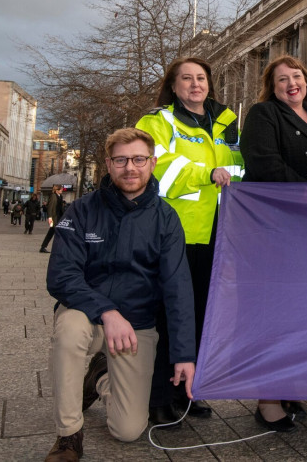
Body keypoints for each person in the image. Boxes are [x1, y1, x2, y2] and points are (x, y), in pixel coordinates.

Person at [44, 128, 196, 462]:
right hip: (87, 314)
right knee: (69, 332)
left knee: (128, 431)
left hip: (138, 325)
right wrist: (108, 313)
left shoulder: (167, 219)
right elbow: (61, 276)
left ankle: (100, 377)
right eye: (121, 160)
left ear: (152, 163)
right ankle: (69, 435)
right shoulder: (82, 211)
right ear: (108, 165)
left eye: (139, 159)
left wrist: (185, 355)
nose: (131, 168)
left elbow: (178, 288)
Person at [135, 56, 243, 425]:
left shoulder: (226, 123)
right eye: (186, 79)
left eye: (201, 78)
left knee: (199, 316)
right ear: (174, 85)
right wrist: (206, 173)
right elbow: (154, 166)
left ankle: (188, 390)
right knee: (167, 316)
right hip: (172, 233)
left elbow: (241, 170)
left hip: (216, 234)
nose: (195, 84)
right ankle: (157, 394)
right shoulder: (157, 121)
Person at [240, 55, 307, 432]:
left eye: (296, 76)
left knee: (305, 313)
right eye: (282, 80)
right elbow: (263, 163)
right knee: (276, 313)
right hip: (278, 230)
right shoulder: (264, 114)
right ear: (273, 87)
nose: (291, 84)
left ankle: (289, 384)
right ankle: (267, 398)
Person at [39, 185, 65, 253]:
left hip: (59, 217)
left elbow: (61, 208)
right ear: (57, 190)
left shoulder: (60, 196)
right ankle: (57, 248)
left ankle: (43, 247)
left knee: (51, 232)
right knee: (56, 232)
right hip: (53, 217)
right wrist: (49, 217)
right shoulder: (53, 196)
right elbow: (50, 207)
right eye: (61, 189)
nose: (62, 190)